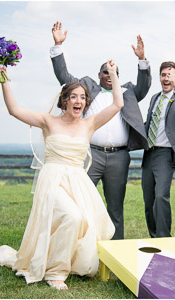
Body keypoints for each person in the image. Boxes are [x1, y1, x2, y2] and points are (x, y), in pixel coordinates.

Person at [0, 63, 119, 290]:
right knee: (72, 217)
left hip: (78, 181)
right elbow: (15, 110)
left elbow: (118, 103)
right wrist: (3, 77)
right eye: (73, 97)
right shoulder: (48, 122)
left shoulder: (89, 124)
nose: (78, 101)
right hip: (53, 178)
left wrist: (114, 74)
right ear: (64, 100)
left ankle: (66, 261)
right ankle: (55, 272)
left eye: (82, 98)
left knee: (85, 222)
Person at [49, 21, 151, 240]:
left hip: (119, 157)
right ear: (98, 73)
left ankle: (115, 251)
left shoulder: (128, 92)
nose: (108, 74)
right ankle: (79, 244)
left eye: (113, 72)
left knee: (115, 207)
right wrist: (58, 47)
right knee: (80, 201)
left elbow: (144, 86)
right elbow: (65, 78)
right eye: (105, 71)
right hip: (90, 154)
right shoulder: (87, 87)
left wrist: (142, 59)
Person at [142, 61, 175, 238]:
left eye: (170, 75)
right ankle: (154, 236)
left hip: (165, 155)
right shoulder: (155, 98)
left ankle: (164, 238)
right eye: (163, 75)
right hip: (149, 153)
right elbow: (148, 124)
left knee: (161, 196)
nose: (166, 78)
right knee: (149, 200)